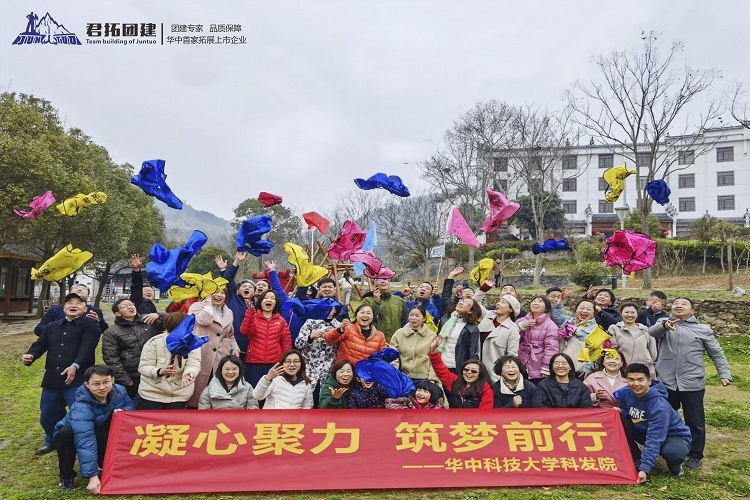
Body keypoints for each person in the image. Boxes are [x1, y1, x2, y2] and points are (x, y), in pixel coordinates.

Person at [649, 297, 732, 469]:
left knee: (695, 421)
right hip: (667, 381)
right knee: (663, 417)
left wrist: (724, 373)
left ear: (693, 311)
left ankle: (695, 454)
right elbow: (652, 332)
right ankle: (665, 448)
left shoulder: (703, 329)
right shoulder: (664, 323)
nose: (679, 305)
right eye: (676, 304)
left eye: (684, 304)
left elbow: (716, 353)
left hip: (692, 382)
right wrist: (665, 326)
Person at [22, 292, 101, 456]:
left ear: (85, 308)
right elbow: (39, 345)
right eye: (69, 303)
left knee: (80, 416)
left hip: (77, 380)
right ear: (63, 308)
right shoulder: (52, 326)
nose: (73, 305)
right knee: (47, 415)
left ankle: (80, 445)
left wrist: (75, 365)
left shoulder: (90, 325)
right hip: (52, 379)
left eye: (79, 303)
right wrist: (31, 356)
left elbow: (87, 349)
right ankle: (53, 440)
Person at [52, 365, 135, 493]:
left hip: (101, 431)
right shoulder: (82, 406)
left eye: (106, 382)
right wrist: (92, 476)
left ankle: (104, 464)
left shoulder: (120, 391)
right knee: (66, 433)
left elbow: (130, 406)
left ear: (112, 379)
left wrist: (123, 411)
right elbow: (85, 439)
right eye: (96, 384)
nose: (102, 387)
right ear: (87, 384)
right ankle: (66, 477)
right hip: (78, 434)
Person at [616, 363, 692, 482]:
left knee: (673, 452)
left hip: (672, 436)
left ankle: (676, 466)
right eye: (631, 379)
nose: (636, 384)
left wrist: (644, 469)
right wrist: (619, 413)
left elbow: (654, 438)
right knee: (619, 420)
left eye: (640, 380)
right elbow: (625, 412)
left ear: (649, 381)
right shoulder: (626, 394)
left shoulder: (658, 406)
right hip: (644, 431)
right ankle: (636, 458)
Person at [137, 312, 201, 410]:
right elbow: (143, 367)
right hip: (152, 393)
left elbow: (194, 363)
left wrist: (189, 373)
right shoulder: (154, 342)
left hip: (179, 395)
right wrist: (160, 371)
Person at [101, 298, 161, 400]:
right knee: (132, 404)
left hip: (155, 370)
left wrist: (159, 315)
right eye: (124, 306)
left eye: (131, 304)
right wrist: (124, 379)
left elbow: (173, 321)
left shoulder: (148, 321)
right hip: (132, 374)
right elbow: (111, 358)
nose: (130, 307)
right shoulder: (112, 332)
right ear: (118, 313)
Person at [187, 289, 238, 408]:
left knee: (216, 389)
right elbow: (204, 320)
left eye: (223, 293)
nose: (219, 295)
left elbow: (230, 334)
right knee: (196, 390)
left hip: (220, 356)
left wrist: (235, 347)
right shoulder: (197, 307)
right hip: (200, 354)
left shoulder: (228, 312)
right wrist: (208, 304)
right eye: (215, 292)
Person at [240, 290, 292, 388]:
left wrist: (286, 362)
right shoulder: (253, 317)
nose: (269, 300)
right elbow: (244, 331)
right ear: (260, 301)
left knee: (272, 393)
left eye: (272, 298)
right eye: (266, 297)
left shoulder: (281, 321)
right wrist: (250, 313)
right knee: (254, 392)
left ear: (276, 303)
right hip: (254, 363)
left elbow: (286, 343)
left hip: (274, 364)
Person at [295, 303, 342, 406]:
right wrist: (309, 337)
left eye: (331, 307)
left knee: (323, 403)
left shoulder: (338, 326)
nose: (328, 309)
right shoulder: (311, 322)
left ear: (335, 310)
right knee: (304, 402)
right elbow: (298, 344)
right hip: (308, 371)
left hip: (327, 373)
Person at [429, 340, 493, 409]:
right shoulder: (454, 381)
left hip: (474, 419)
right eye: (466, 369)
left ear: (480, 374)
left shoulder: (486, 390)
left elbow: (484, 412)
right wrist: (433, 351)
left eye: (473, 371)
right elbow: (440, 368)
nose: (469, 372)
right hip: (453, 418)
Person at [215, 251, 255, 358]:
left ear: (254, 292)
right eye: (244, 286)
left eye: (250, 287)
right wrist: (236, 262)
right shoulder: (233, 298)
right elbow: (227, 281)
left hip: (251, 352)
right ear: (237, 291)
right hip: (229, 349)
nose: (247, 288)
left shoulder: (259, 306)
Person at [34, 284, 108, 337]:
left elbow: (104, 330)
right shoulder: (55, 310)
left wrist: (98, 320)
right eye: (76, 288)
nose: (79, 289)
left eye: (84, 289)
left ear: (88, 297)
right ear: (69, 294)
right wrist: (58, 331)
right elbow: (39, 329)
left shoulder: (94, 311)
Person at [608, 302, 658, 378]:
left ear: (637, 314)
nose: (630, 315)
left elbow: (653, 353)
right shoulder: (614, 329)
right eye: (626, 312)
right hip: (622, 370)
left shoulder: (646, 330)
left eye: (632, 312)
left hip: (645, 369)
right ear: (621, 314)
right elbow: (612, 350)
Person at [479, 295, 521, 383]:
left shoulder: (512, 329)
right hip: (476, 368)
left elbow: (512, 355)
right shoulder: (488, 315)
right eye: (499, 301)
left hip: (493, 374)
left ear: (510, 309)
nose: (498, 303)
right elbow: (475, 302)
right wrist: (484, 287)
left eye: (503, 302)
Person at [517, 295, 558, 385]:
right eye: (534, 301)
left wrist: (546, 368)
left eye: (540, 301)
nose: (536, 303)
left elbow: (551, 349)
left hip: (538, 363)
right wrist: (522, 326)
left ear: (546, 308)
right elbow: (511, 336)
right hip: (521, 360)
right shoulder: (522, 320)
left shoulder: (551, 326)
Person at [389, 306, 437, 382]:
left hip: (423, 377)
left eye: (417, 316)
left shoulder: (431, 336)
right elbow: (392, 354)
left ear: (424, 318)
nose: (413, 318)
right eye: (411, 315)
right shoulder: (399, 333)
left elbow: (435, 359)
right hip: (403, 376)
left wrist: (432, 380)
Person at [435, 297, 482, 374]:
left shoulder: (472, 328)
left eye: (466, 303)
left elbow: (473, 351)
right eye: (461, 301)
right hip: (442, 364)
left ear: (470, 311)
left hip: (458, 367)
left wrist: (472, 369)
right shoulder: (447, 320)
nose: (461, 303)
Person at [128, 254, 162, 327]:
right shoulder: (138, 301)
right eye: (146, 291)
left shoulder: (151, 305)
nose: (149, 292)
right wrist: (136, 271)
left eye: (150, 291)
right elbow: (136, 286)